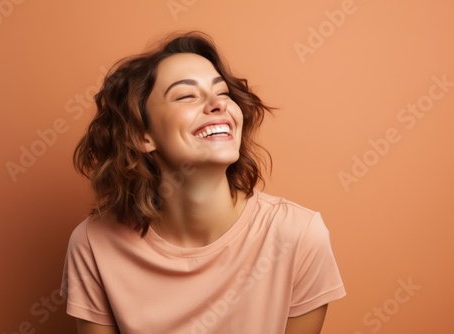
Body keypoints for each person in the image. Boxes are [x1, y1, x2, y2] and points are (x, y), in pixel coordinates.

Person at [60, 31, 346, 334]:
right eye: (186, 95)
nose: (217, 104)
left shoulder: (299, 235)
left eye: (223, 93)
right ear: (141, 135)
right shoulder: (94, 244)